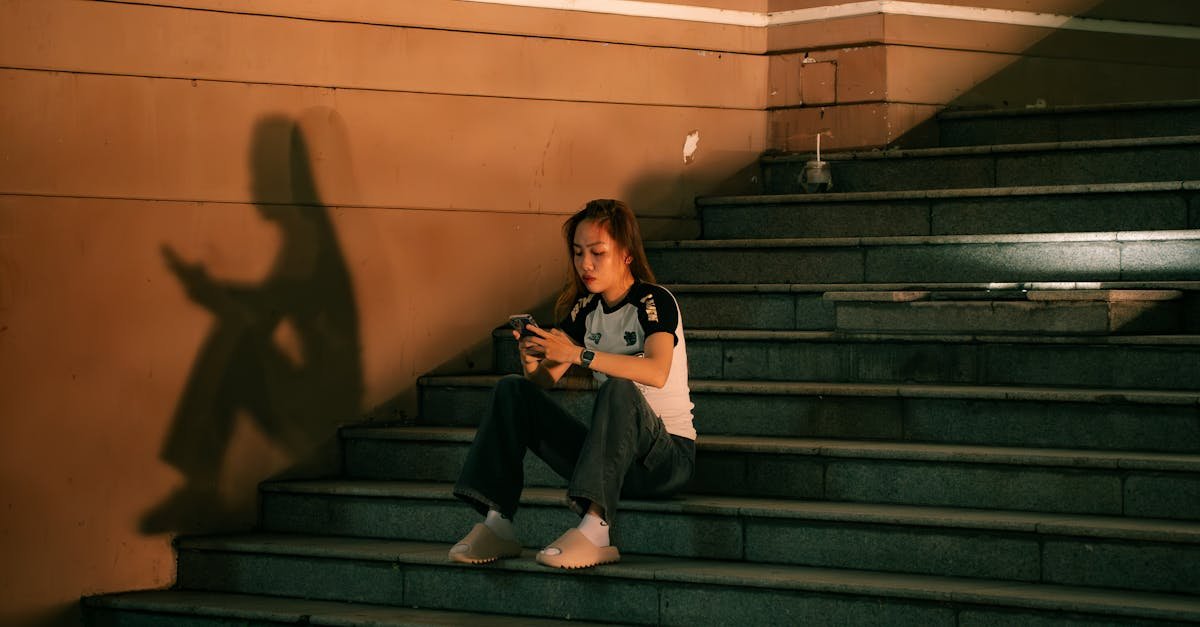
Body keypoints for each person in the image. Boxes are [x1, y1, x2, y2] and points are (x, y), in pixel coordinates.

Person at [449, 198, 696, 569]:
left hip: (664, 460)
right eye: (579, 254)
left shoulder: (653, 301)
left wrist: (579, 355)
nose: (586, 264)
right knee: (513, 390)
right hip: (612, 459)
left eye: (598, 252)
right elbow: (544, 380)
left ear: (626, 254)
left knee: (618, 387)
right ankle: (497, 523)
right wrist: (532, 359)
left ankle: (596, 530)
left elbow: (657, 370)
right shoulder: (585, 311)